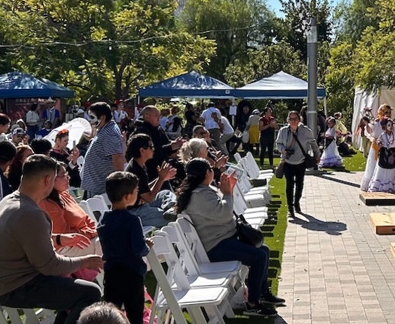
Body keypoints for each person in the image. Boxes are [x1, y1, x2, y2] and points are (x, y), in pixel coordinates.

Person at [0, 155, 103, 324]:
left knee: (77, 290)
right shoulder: (31, 213)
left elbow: (27, 238)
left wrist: (60, 239)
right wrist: (85, 261)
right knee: (90, 293)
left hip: (5, 281)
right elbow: (50, 266)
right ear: (48, 180)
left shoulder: (10, 200)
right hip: (15, 287)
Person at [176, 158, 284, 317]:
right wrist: (228, 193)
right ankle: (253, 303)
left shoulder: (201, 191)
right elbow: (225, 214)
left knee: (264, 250)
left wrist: (227, 191)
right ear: (207, 173)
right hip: (215, 246)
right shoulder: (199, 195)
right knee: (259, 256)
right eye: (211, 170)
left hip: (223, 239)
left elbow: (218, 211)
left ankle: (262, 293)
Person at [97, 171, 151, 324]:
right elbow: (139, 248)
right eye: (136, 191)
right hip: (132, 273)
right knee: (135, 313)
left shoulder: (104, 219)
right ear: (127, 196)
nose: (137, 193)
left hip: (112, 272)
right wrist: (147, 246)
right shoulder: (132, 220)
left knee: (111, 314)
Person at [124, 134, 177, 228]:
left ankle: (171, 209)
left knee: (165, 193)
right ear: (142, 150)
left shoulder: (139, 164)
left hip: (142, 204)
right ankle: (170, 214)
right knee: (170, 219)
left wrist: (162, 178)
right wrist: (161, 179)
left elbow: (144, 188)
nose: (153, 149)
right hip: (135, 212)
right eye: (151, 147)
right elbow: (149, 198)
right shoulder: (135, 170)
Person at [276, 111, 319, 219]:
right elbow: (278, 143)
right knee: (289, 185)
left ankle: (297, 203)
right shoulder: (283, 131)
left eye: (295, 119)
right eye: (291, 119)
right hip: (288, 162)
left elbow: (313, 144)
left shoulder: (306, 131)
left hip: (301, 162)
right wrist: (283, 150)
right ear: (288, 120)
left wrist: (317, 155)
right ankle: (290, 208)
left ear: (299, 120)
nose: (293, 121)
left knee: (300, 184)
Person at [81, 102, 125, 197]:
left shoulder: (110, 133)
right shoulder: (105, 129)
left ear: (103, 117)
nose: (90, 121)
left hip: (100, 189)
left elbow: (117, 157)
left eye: (92, 117)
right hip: (95, 186)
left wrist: (120, 185)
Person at [131, 106, 184, 184]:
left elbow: (167, 143)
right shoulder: (142, 131)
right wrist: (171, 147)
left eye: (159, 115)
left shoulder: (158, 129)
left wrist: (177, 144)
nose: (159, 118)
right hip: (150, 171)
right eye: (156, 115)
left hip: (163, 170)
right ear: (147, 116)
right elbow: (150, 153)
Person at [366, 117, 395, 193]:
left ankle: (392, 186)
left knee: (392, 170)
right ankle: (381, 186)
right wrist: (379, 144)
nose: (391, 127)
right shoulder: (382, 135)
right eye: (389, 125)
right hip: (384, 154)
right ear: (385, 126)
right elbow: (378, 142)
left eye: (392, 125)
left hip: (392, 154)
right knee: (382, 170)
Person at [360, 104, 393, 191]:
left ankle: (385, 184)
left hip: (387, 147)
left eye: (389, 112)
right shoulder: (377, 122)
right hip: (376, 147)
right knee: (374, 165)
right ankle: (373, 184)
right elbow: (370, 131)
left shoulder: (391, 123)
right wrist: (367, 123)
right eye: (386, 112)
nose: (389, 114)